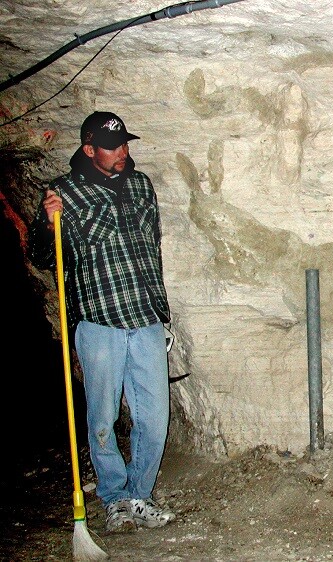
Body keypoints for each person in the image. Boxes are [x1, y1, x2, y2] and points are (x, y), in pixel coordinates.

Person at [28, 111, 175, 532]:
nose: (123, 152)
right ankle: (114, 498)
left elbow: (151, 247)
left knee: (153, 416)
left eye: (126, 144)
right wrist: (45, 221)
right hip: (99, 320)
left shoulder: (142, 185)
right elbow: (43, 257)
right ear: (90, 149)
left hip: (145, 316)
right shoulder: (63, 193)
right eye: (114, 146)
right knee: (102, 418)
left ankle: (140, 496)